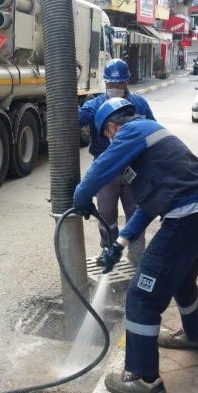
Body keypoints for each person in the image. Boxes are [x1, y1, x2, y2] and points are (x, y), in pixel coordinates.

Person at [73, 98, 198, 393]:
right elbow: (148, 206)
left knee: (141, 295)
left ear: (112, 127)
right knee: (181, 278)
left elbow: (100, 168)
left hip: (186, 218)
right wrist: (119, 244)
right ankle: (194, 336)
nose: (110, 142)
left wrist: (81, 196)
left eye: (107, 137)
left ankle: (143, 378)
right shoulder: (149, 141)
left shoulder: (132, 131)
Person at [78, 59, 155, 265]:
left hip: (133, 168)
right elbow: (78, 118)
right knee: (106, 215)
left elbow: (151, 129)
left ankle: (137, 256)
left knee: (135, 213)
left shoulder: (139, 104)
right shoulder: (95, 105)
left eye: (119, 84)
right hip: (106, 171)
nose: (115, 88)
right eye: (111, 85)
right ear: (105, 82)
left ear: (127, 81)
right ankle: (109, 251)